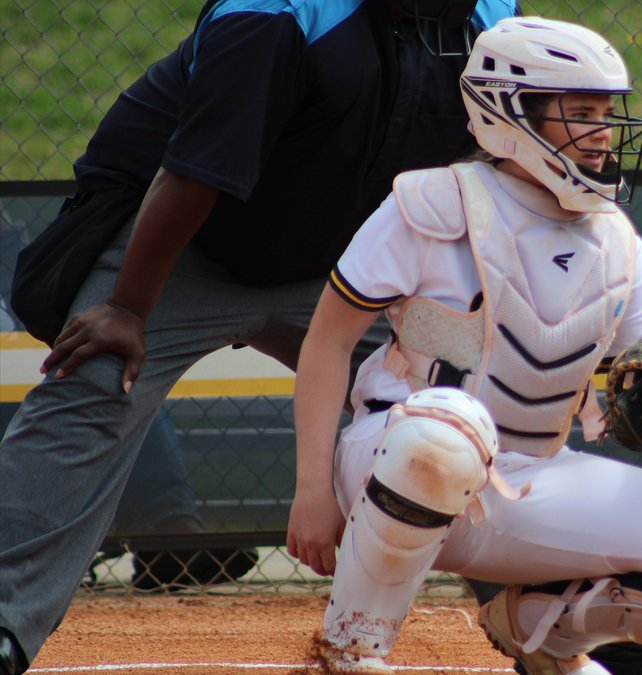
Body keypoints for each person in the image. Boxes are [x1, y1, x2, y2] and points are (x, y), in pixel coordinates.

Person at [0, 1, 518, 672]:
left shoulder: (490, 19)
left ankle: (546, 605)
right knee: (99, 374)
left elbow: (499, 170)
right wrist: (127, 307)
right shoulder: (275, 14)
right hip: (184, 247)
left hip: (341, 271)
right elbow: (193, 169)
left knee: (469, 397)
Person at [286, 17, 642, 675]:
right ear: (509, 111)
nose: (604, 131)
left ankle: (545, 633)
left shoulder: (618, 243)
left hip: (529, 478)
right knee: (450, 429)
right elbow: (327, 341)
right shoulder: (434, 203)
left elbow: (635, 385)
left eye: (608, 112)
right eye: (580, 112)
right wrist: (312, 489)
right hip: (389, 462)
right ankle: (353, 645)